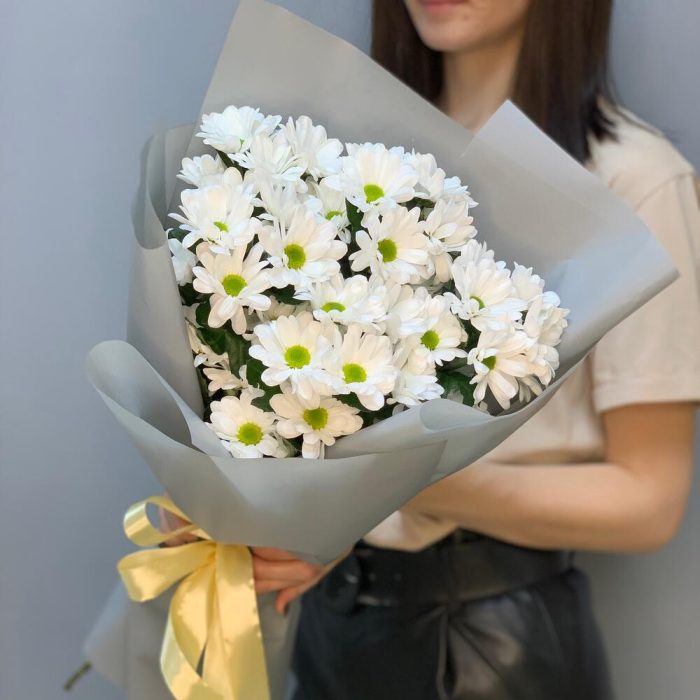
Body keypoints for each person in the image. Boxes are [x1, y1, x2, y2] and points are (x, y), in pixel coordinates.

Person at [192, 1, 700, 698]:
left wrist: (392, 482)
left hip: (495, 649)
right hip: (336, 627)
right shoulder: (350, 157)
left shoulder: (632, 178)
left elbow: (649, 500)